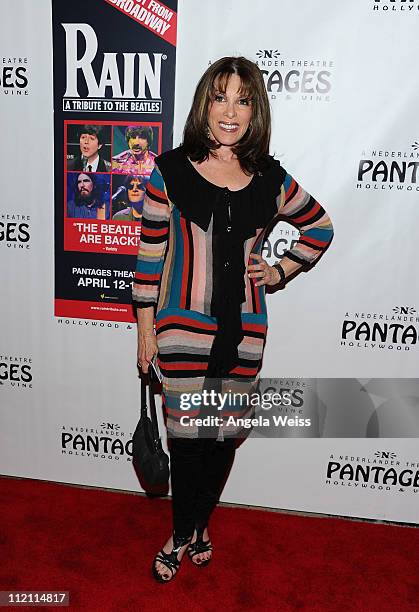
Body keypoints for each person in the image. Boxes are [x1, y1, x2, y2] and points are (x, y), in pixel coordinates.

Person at [133, 56, 334, 583]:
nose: (230, 110)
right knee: (188, 438)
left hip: (244, 332)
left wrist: (279, 270)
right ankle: (180, 534)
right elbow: (150, 256)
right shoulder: (170, 171)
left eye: (243, 100)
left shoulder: (269, 178)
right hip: (180, 332)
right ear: (205, 103)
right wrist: (145, 330)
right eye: (221, 97)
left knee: (222, 435)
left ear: (255, 112)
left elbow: (319, 227)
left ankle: (199, 525)